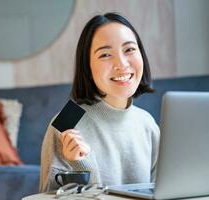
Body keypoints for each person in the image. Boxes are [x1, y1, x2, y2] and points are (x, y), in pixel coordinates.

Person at [39, 12, 160, 192]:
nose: (122, 64)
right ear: (87, 67)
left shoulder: (147, 123)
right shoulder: (67, 121)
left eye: (129, 49)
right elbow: (47, 196)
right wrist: (80, 165)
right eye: (105, 55)